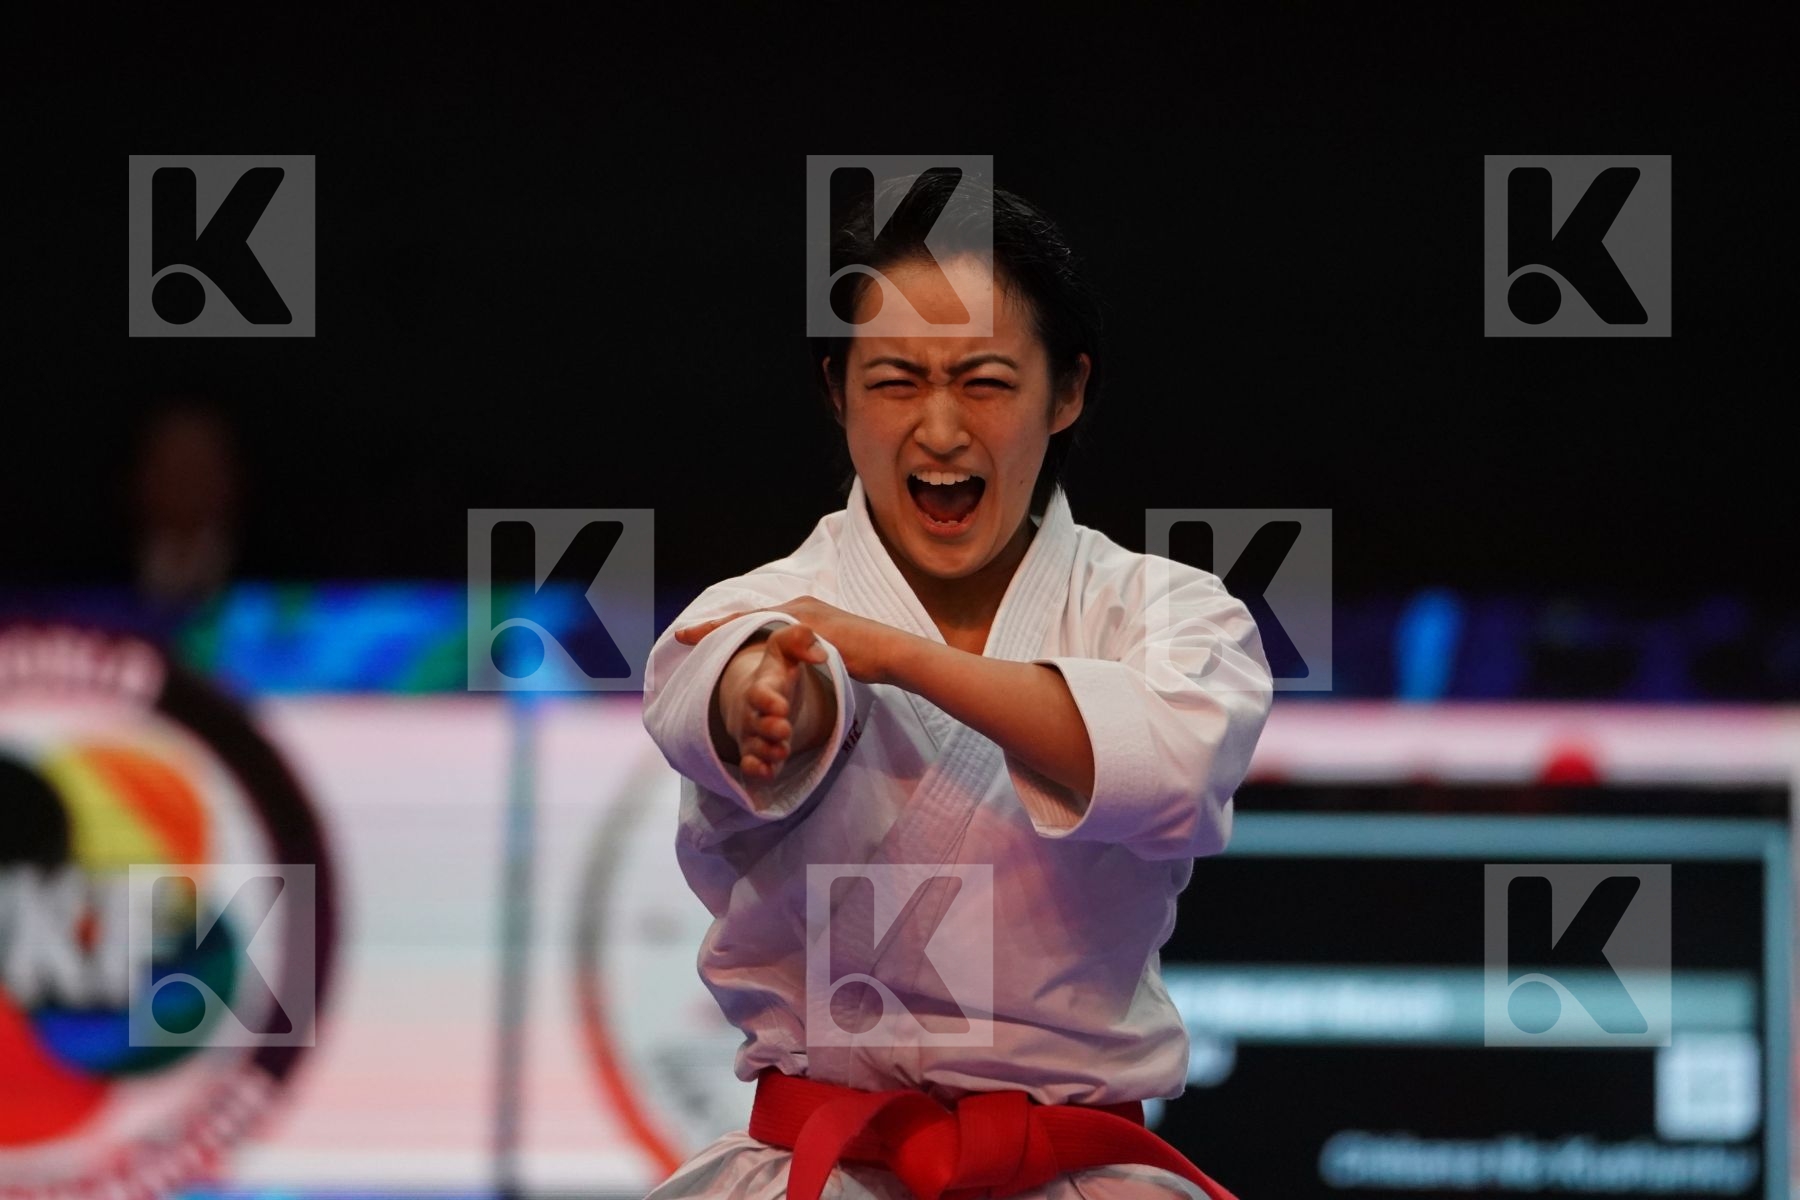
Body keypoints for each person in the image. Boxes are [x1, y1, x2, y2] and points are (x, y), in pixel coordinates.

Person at [640, 174, 1272, 1200]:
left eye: (984, 381)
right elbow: (714, 689)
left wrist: (901, 658)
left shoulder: (1173, 613)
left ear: (1066, 392)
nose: (939, 429)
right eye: (895, 381)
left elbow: (1168, 767)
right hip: (822, 1167)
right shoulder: (759, 610)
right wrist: (771, 704)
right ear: (837, 392)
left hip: (1081, 1171)